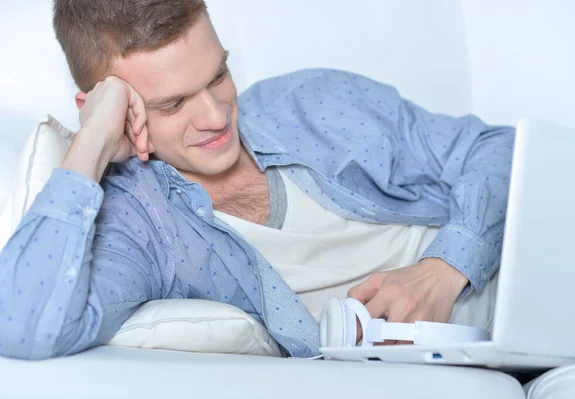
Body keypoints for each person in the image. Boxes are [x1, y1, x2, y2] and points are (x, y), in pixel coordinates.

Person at [0, 0, 514, 360]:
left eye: (218, 76)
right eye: (173, 104)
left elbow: (502, 149)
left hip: (523, 267)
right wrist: (89, 143)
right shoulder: (140, 227)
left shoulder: (313, 101)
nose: (216, 117)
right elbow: (21, 326)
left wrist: (444, 269)